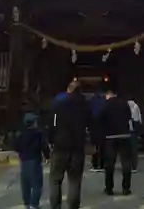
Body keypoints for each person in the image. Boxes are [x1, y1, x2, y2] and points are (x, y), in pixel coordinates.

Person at [48, 81, 94, 209]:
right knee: (74, 180)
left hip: (60, 145)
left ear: (68, 90)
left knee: (55, 179)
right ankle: (73, 206)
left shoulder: (58, 104)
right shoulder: (86, 105)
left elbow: (52, 125)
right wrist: (92, 142)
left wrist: (51, 140)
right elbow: (91, 125)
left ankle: (55, 206)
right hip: (77, 146)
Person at [98, 83, 133, 196]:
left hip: (110, 136)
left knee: (110, 163)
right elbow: (129, 116)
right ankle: (126, 187)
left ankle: (109, 187)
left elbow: (99, 119)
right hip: (124, 135)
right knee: (126, 163)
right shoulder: (124, 103)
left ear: (108, 95)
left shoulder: (105, 105)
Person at [14, 113, 50, 209]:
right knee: (37, 184)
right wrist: (48, 156)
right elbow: (44, 146)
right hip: (35, 160)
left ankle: (27, 203)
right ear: (34, 123)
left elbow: (16, 147)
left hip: (24, 161)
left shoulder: (21, 134)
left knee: (26, 183)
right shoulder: (39, 133)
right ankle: (35, 204)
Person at [89, 88, 106, 172]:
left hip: (94, 126)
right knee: (103, 146)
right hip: (103, 127)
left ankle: (95, 164)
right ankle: (102, 164)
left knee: (95, 147)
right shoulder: (105, 101)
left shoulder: (92, 101)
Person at [127, 98, 142, 172]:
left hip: (128, 129)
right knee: (134, 148)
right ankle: (134, 166)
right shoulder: (136, 106)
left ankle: (129, 165)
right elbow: (139, 118)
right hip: (135, 128)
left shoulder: (127, 105)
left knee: (128, 148)